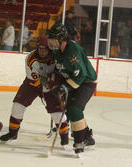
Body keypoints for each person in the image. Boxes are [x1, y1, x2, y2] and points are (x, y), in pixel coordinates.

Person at [0, 36, 69, 147]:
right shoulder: (30, 59)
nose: (42, 51)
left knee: (57, 111)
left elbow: (63, 72)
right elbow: (36, 80)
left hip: (51, 85)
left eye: (45, 49)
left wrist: (59, 81)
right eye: (40, 48)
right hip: (32, 84)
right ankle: (13, 133)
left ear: (50, 49)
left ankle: (65, 137)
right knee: (17, 106)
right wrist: (50, 84)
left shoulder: (56, 57)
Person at [47, 22, 97, 154]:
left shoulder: (72, 50)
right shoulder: (57, 51)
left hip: (86, 82)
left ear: (62, 39)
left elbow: (80, 74)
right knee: (70, 111)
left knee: (74, 109)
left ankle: (79, 141)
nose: (51, 43)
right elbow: (61, 69)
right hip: (74, 81)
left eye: (53, 40)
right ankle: (88, 138)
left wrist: (64, 87)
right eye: (50, 40)